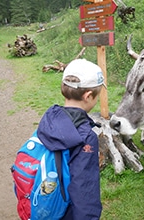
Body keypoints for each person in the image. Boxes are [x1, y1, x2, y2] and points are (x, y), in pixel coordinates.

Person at [36, 59, 104, 219]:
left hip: (45, 204)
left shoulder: (49, 119)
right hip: (66, 213)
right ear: (88, 96)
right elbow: (85, 189)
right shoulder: (86, 136)